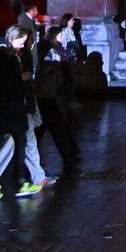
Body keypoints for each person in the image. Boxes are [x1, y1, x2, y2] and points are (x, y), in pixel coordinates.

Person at [0, 25, 47, 200]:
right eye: (21, 41)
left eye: (24, 42)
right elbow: (0, 83)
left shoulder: (14, 56)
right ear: (11, 38)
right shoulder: (1, 56)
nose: (23, 45)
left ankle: (20, 181)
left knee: (20, 143)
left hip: (15, 108)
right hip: (4, 108)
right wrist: (20, 78)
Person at [34, 17, 82, 173]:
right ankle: (69, 153)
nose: (63, 38)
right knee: (55, 125)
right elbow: (53, 69)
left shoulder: (52, 49)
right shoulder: (52, 51)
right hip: (47, 94)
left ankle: (70, 152)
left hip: (47, 93)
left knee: (45, 125)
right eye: (61, 36)